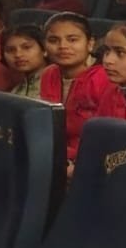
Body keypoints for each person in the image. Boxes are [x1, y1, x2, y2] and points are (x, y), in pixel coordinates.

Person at [38, 13, 111, 162]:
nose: (63, 46)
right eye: (53, 40)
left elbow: (105, 135)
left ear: (90, 43)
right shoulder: (49, 74)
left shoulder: (104, 78)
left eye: (72, 40)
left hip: (89, 158)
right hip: (52, 153)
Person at [3, 24, 49, 98]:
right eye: (11, 50)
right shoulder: (16, 90)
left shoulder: (56, 84)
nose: (18, 55)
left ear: (44, 49)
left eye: (26, 47)